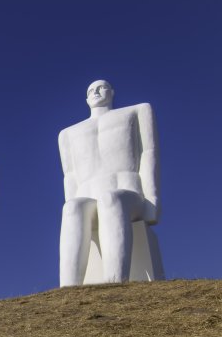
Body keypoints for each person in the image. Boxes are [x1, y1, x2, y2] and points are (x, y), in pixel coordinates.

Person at [58, 80, 160, 286]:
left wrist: (152, 199)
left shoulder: (136, 111)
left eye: (101, 87)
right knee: (72, 207)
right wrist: (72, 203)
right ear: (86, 99)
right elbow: (70, 175)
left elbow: (149, 154)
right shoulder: (67, 133)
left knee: (110, 199)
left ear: (112, 92)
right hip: (88, 195)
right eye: (90, 90)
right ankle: (67, 288)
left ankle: (114, 282)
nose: (95, 92)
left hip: (129, 193)